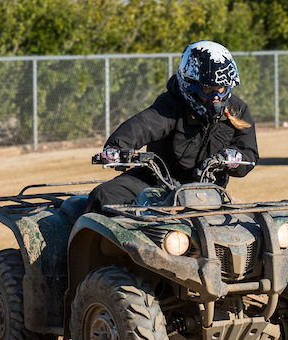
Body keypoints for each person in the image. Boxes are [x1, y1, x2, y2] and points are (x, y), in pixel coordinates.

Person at [84, 40, 258, 214]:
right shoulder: (171, 105)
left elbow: (249, 152)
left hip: (208, 191)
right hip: (158, 182)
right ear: (189, 84)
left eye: (221, 88)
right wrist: (117, 147)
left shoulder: (237, 110)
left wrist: (234, 158)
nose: (216, 97)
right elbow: (143, 125)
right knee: (104, 195)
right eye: (207, 89)